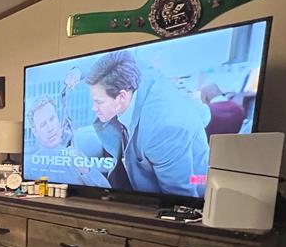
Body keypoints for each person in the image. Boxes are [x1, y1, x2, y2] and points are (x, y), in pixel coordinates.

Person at [86, 51, 210, 197]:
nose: (94, 108)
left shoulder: (163, 129)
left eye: (99, 102)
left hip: (185, 194)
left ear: (122, 97)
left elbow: (178, 198)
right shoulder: (129, 69)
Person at [27, 96, 111, 188]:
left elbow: (106, 188)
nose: (50, 128)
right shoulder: (30, 165)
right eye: (43, 124)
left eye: (52, 119)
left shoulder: (76, 156)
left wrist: (85, 170)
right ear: (35, 132)